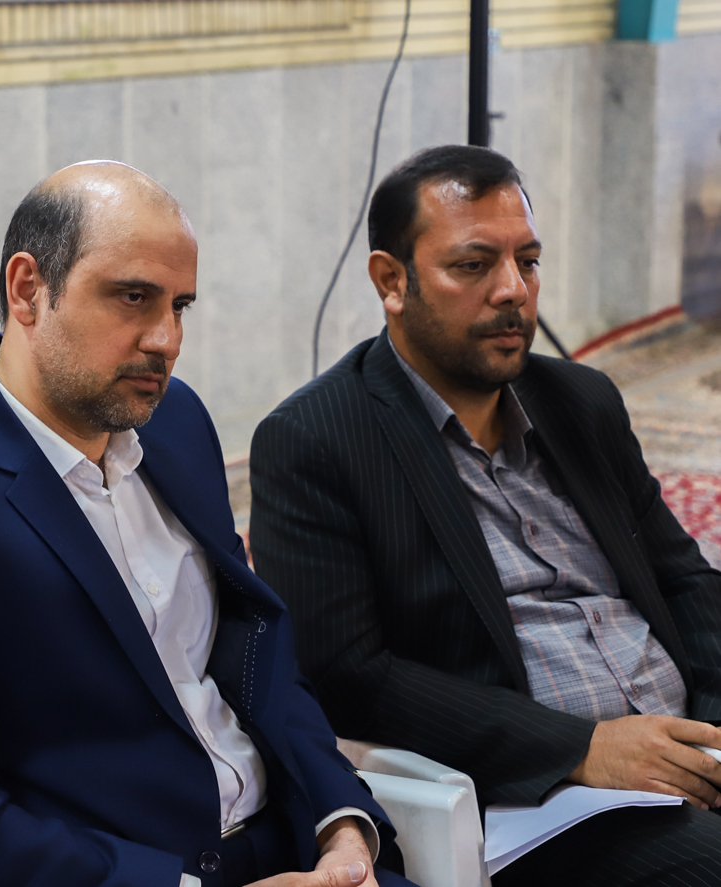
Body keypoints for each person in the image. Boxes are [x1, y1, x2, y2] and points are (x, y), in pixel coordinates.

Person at [0, 161, 413, 887]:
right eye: (132, 297)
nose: (166, 338)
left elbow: (257, 655)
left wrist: (341, 825)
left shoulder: (176, 423)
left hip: (297, 850)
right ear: (27, 289)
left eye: (180, 306)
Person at [249, 145, 721, 886]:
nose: (513, 291)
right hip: (543, 801)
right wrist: (581, 749)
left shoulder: (579, 401)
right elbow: (345, 676)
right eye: (472, 266)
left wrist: (709, 731)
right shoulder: (317, 439)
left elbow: (684, 578)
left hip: (683, 753)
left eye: (527, 262)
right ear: (391, 280)